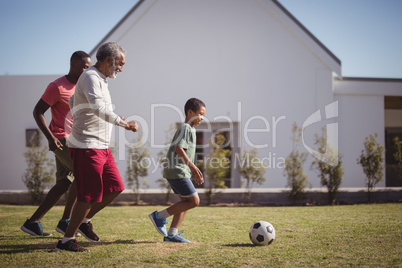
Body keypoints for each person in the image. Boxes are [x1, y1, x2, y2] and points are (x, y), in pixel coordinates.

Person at [55, 42, 138, 252]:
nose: (121, 68)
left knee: (115, 187)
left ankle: (84, 221)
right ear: (108, 60)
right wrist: (123, 123)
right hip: (86, 146)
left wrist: (80, 117)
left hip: (101, 145)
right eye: (120, 63)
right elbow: (98, 108)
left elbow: (74, 100)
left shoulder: (101, 79)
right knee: (89, 195)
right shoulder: (91, 77)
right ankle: (66, 240)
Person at [21, 51, 92, 237]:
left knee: (63, 183)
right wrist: (50, 137)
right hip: (62, 139)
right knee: (82, 175)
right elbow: (38, 112)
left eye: (89, 67)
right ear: (73, 63)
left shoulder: (83, 87)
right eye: (84, 66)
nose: (87, 70)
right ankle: (65, 221)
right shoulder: (57, 87)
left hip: (76, 139)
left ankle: (33, 222)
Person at [149, 98, 206, 243]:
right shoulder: (185, 128)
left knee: (186, 202)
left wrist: (191, 169)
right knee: (194, 201)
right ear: (190, 112)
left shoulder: (190, 129)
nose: (202, 118)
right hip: (177, 170)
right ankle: (159, 216)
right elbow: (178, 149)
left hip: (179, 171)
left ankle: (172, 235)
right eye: (200, 114)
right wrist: (193, 167)